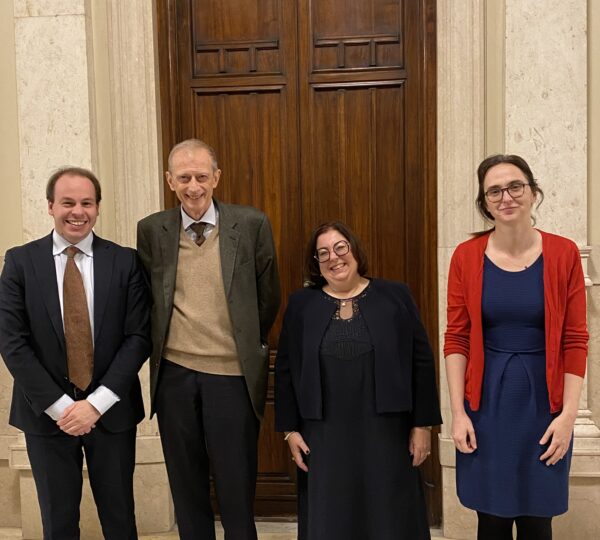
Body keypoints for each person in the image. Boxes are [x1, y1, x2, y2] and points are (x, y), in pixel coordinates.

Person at [136, 138, 280, 540]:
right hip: (175, 378)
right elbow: (150, 297)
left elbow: (267, 299)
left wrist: (241, 343)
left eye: (201, 176)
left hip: (232, 377)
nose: (193, 186)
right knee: (187, 490)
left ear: (217, 177)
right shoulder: (151, 230)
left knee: (236, 490)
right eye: (184, 177)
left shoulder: (251, 225)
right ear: (170, 181)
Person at [0, 167, 151, 539]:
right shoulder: (20, 262)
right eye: (68, 202)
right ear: (50, 206)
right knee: (59, 522)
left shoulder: (125, 261)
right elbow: (12, 341)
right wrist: (62, 408)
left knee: (120, 520)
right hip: (45, 416)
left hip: (111, 413)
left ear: (98, 208)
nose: (77, 211)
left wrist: (95, 404)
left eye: (87, 203)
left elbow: (139, 337)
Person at [444, 154, 588, 540]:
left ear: (533, 192)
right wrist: (458, 413)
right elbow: (456, 338)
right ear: (484, 202)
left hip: (545, 405)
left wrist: (568, 418)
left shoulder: (564, 253)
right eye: (494, 191)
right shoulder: (465, 256)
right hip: (486, 404)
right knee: (490, 517)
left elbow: (575, 340)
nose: (505, 197)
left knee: (537, 518)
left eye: (514, 186)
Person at [274, 221, 441, 540]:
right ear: (316, 264)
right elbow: (285, 370)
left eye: (340, 247)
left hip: (387, 432)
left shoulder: (395, 295)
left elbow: (421, 361)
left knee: (389, 515)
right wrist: (290, 430)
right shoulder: (301, 305)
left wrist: (423, 425)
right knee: (331, 518)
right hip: (323, 434)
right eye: (323, 253)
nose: (334, 257)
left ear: (354, 250)